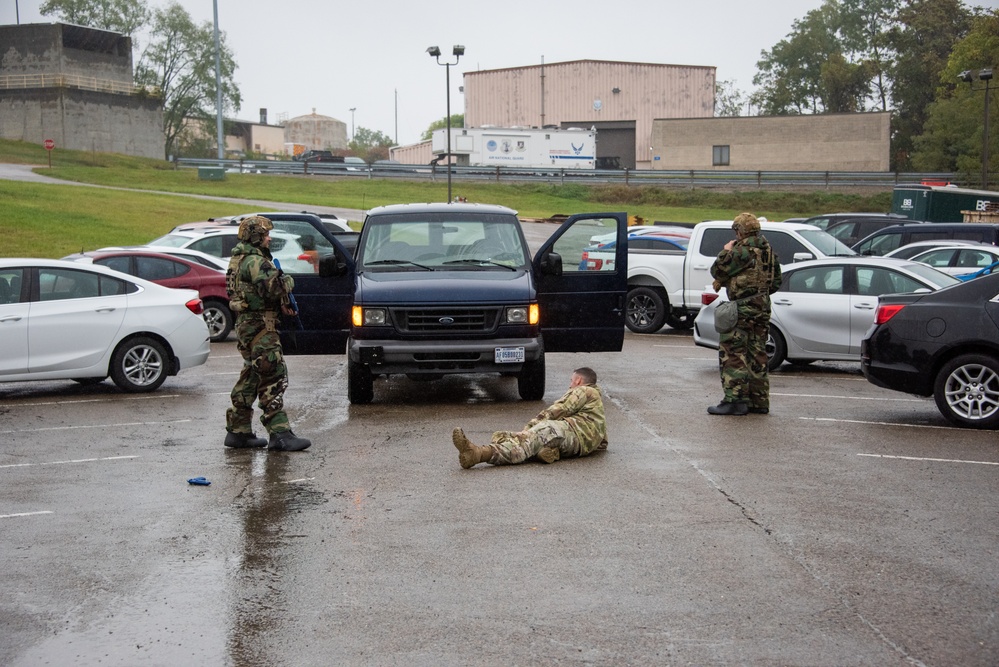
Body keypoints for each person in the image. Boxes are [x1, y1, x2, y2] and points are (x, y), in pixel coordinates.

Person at [223, 215, 312, 451]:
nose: (269, 238)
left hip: (247, 324)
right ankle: (280, 434)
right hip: (261, 326)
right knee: (272, 374)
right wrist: (288, 281)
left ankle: (238, 431)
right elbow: (274, 287)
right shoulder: (255, 261)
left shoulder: (239, 259)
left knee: (251, 375)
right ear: (255, 236)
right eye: (265, 235)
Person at [452, 367, 607, 468]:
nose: (570, 385)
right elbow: (603, 443)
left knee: (527, 443)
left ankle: (479, 453)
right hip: (577, 445)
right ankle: (549, 452)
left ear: (578, 380)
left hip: (570, 432)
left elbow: (558, 410)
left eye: (571, 381)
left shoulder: (584, 391)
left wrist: (531, 427)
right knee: (535, 442)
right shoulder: (596, 406)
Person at [707, 212, 782, 416]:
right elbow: (776, 282)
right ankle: (759, 402)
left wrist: (726, 251)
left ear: (740, 231)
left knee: (733, 353)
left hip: (742, 309)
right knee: (757, 354)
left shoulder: (742, 250)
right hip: (762, 307)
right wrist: (758, 295)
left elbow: (718, 270)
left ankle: (735, 400)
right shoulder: (768, 250)